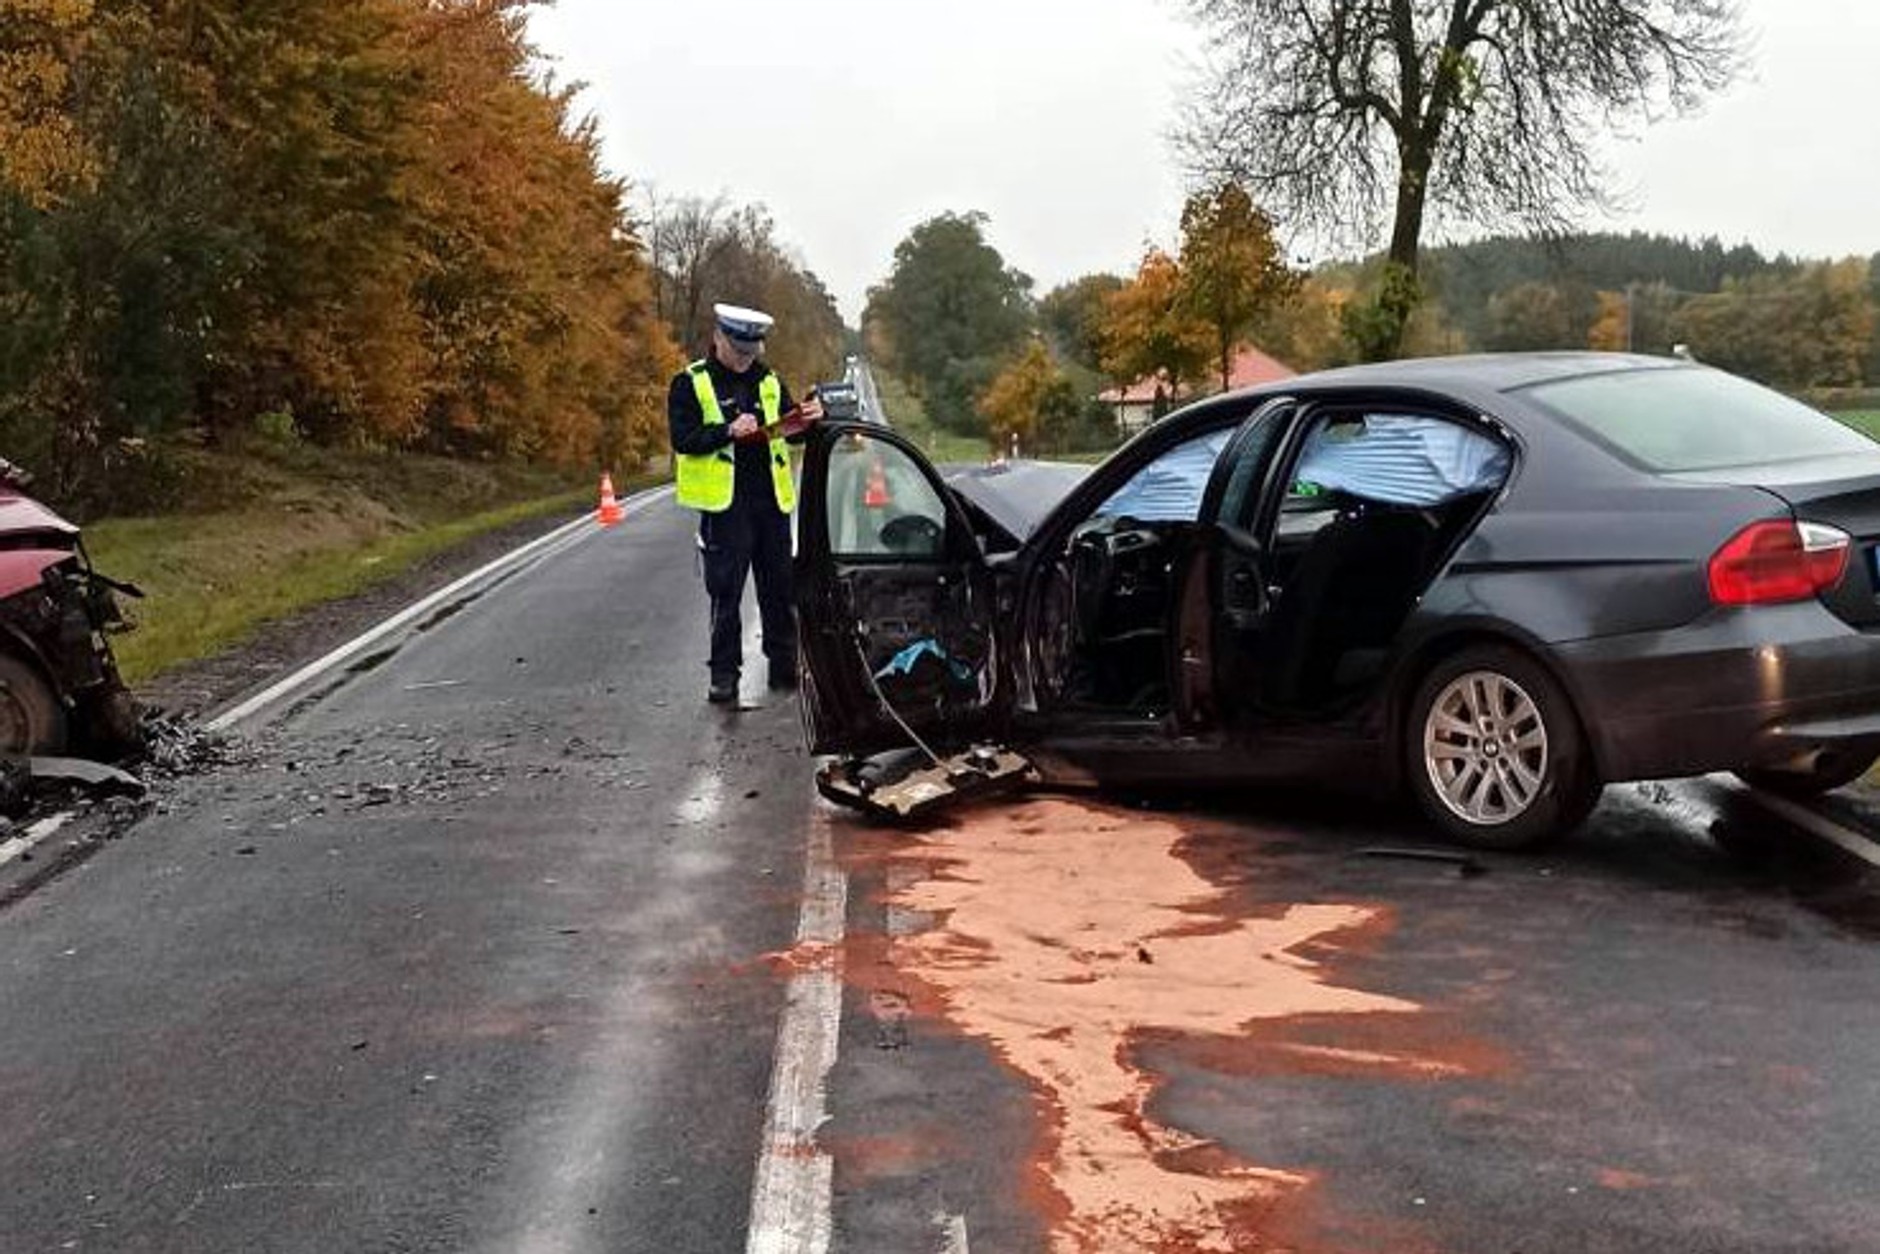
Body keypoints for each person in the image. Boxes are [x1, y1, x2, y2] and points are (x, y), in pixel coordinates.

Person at [669, 303, 823, 704]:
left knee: (779, 587)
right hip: (725, 506)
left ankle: (784, 668)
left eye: (751, 352)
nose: (745, 360)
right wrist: (726, 431)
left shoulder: (769, 380)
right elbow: (683, 439)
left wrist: (808, 419)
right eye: (739, 351)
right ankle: (724, 675)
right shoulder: (691, 382)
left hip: (770, 504)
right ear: (718, 338)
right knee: (726, 593)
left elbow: (790, 432)